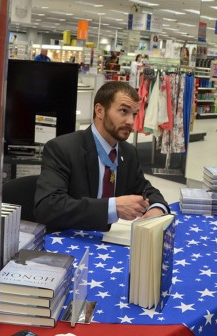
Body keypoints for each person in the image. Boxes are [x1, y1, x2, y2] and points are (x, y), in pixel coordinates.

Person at [34, 81, 169, 231]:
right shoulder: (63, 149)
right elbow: (48, 207)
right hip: (73, 239)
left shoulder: (128, 152)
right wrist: (112, 207)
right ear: (99, 111)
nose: (131, 121)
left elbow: (146, 190)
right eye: (124, 111)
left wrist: (157, 209)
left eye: (134, 114)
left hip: (112, 242)